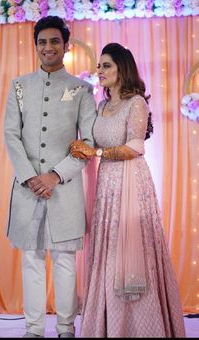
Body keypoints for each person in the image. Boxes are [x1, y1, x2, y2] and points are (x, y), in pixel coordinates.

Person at [70, 43, 186, 338]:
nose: (100, 71)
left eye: (106, 65)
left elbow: (135, 147)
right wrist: (85, 148)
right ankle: (107, 325)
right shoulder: (101, 105)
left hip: (131, 183)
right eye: (99, 66)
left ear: (123, 68)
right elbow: (99, 145)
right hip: (106, 185)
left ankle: (142, 326)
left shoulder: (137, 103)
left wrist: (95, 153)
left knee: (133, 250)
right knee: (108, 249)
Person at [4, 16, 96, 338]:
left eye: (54, 41)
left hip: (64, 190)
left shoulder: (81, 89)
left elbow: (89, 142)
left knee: (65, 262)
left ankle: (67, 329)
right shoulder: (18, 86)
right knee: (31, 258)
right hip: (27, 190)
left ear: (65, 45)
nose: (48, 47)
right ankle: (33, 330)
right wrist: (31, 177)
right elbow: (11, 136)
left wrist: (56, 175)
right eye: (42, 42)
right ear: (35, 46)